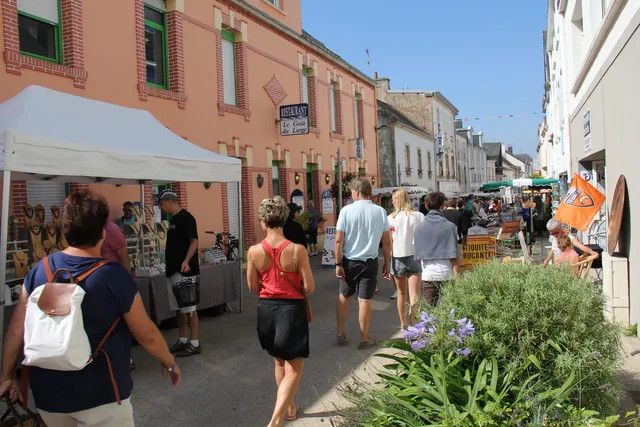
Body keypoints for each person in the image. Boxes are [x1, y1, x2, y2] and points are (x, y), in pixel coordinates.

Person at [0, 190, 179, 426]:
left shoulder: (39, 270)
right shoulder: (113, 276)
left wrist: (6, 376)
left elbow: (16, 330)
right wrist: (169, 361)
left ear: (65, 229)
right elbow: (146, 334)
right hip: (102, 394)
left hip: (49, 395)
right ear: (103, 232)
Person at [247, 196, 315, 426]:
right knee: (294, 367)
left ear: (263, 222)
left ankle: (291, 408)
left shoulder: (254, 251)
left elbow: (252, 286)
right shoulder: (297, 250)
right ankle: (275, 421)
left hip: (266, 309)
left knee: (278, 362)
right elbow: (310, 287)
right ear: (284, 220)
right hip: (291, 310)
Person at [335, 177, 391, 349]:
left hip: (349, 260)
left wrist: (338, 263)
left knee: (344, 297)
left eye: (352, 191)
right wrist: (387, 263)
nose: (351, 195)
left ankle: (340, 333)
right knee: (365, 300)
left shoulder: (346, 211)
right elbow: (387, 241)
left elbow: (338, 240)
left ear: (357, 192)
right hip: (370, 261)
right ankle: (364, 339)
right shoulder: (380, 211)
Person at [158, 190, 201, 357]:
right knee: (179, 309)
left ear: (169, 201)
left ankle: (195, 343)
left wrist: (186, 261)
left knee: (189, 308)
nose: (161, 208)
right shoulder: (173, 219)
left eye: (161, 204)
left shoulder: (187, 218)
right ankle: (183, 340)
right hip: (173, 271)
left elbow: (194, 241)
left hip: (185, 272)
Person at [414, 192, 460, 305]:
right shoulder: (451, 227)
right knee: (449, 313)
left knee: (430, 315)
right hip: (447, 274)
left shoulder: (418, 229)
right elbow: (454, 257)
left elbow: (418, 257)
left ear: (426, 206)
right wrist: (458, 277)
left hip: (428, 275)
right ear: (442, 206)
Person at [387, 190, 424, 329]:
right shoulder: (419, 216)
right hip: (415, 255)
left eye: (393, 199)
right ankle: (413, 321)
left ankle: (403, 323)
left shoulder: (390, 218)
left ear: (398, 200)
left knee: (401, 293)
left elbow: (388, 240)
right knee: (414, 294)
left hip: (397, 257)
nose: (392, 202)